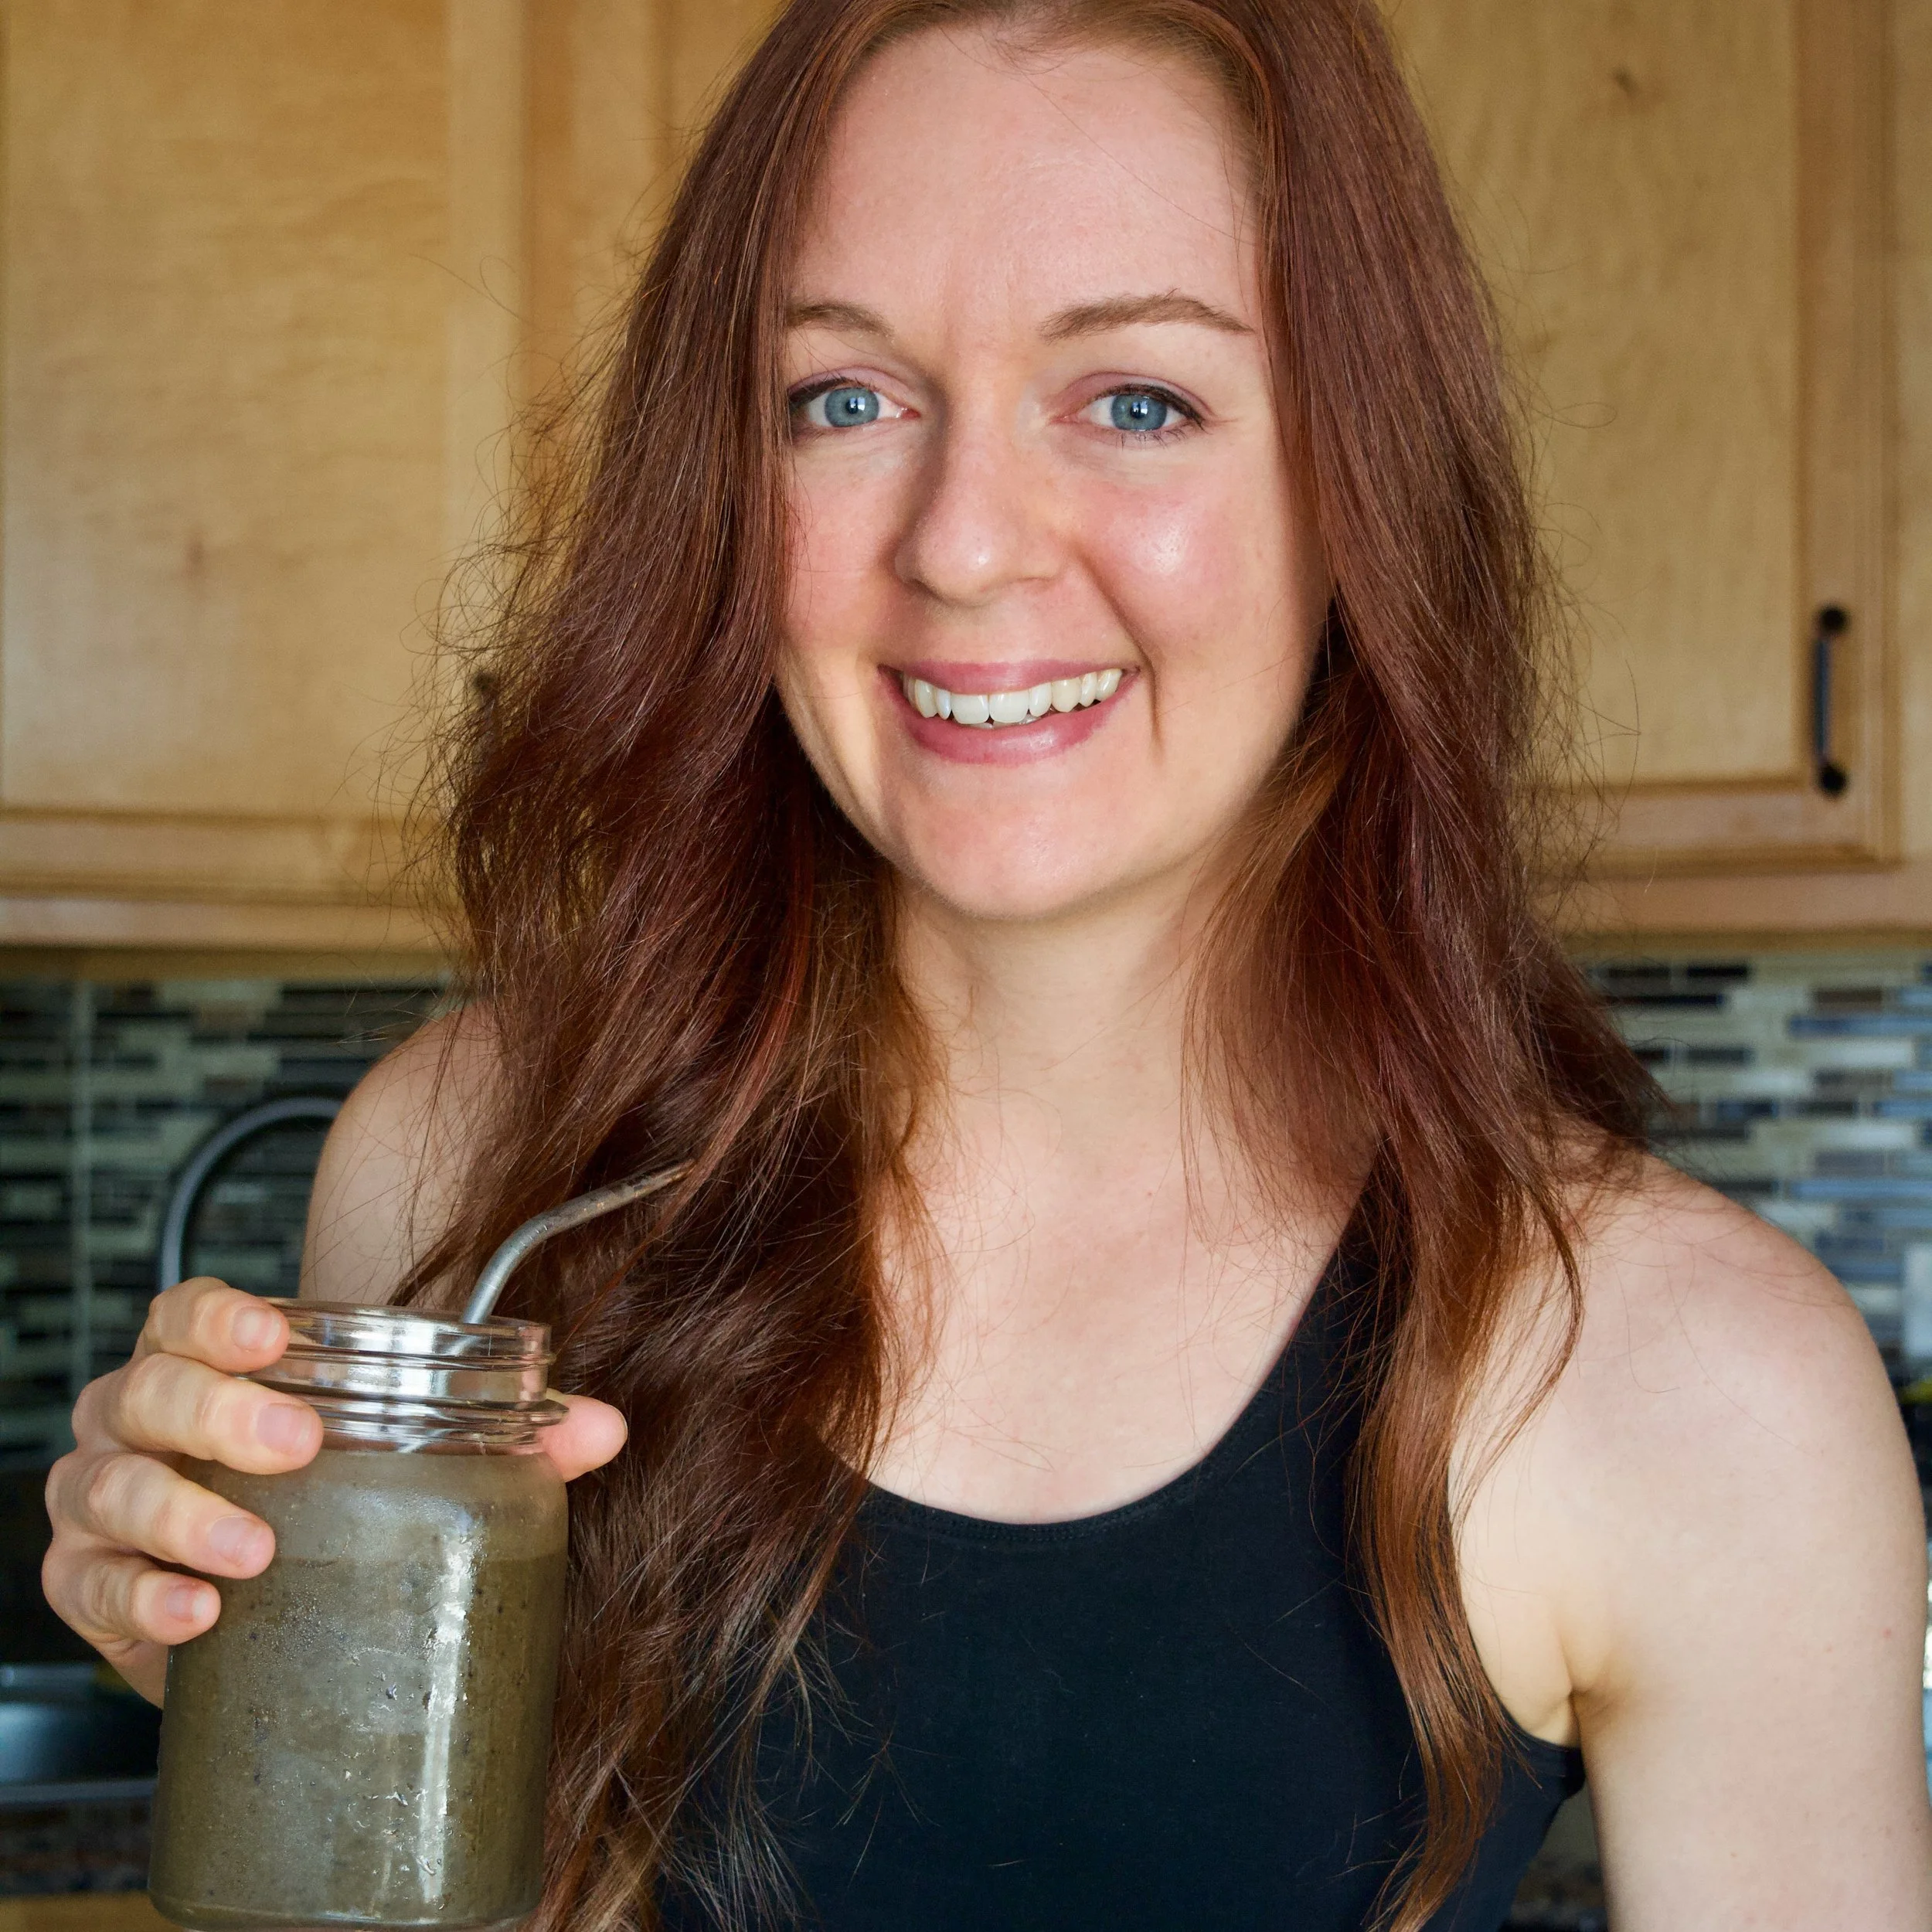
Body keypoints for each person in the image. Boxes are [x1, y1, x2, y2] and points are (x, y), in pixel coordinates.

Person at [40, 1, 1932, 1927]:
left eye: (1133, 400)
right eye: (841, 400)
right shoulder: (467, 1169)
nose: (959, 544)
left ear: (1361, 484)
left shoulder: (1689, 1379)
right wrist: (258, 1711)